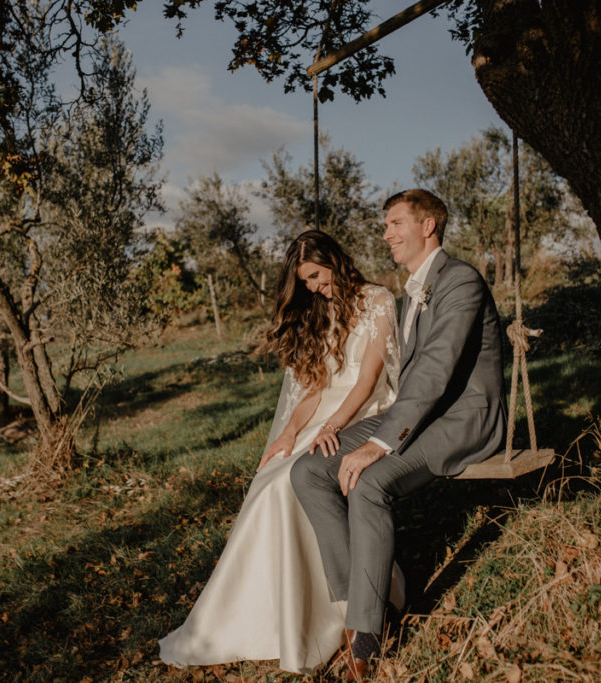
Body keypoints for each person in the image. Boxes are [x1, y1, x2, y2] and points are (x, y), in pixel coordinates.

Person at [158, 230, 403, 674]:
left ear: (333, 260)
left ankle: (344, 611)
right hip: (323, 414)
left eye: (315, 275)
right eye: (304, 281)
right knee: (271, 476)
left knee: (288, 485)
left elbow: (367, 380)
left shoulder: (378, 300)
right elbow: (314, 387)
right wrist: (290, 432)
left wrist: (332, 426)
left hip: (365, 413)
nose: (312, 287)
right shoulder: (323, 310)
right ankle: (271, 614)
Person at [291, 189, 508, 680]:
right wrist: (358, 427)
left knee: (370, 482)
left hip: (464, 417)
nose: (386, 233)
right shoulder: (410, 290)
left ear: (427, 226)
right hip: (419, 414)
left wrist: (381, 442)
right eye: (386, 225)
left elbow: (433, 371)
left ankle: (366, 636)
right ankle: (360, 605)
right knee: (308, 471)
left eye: (394, 223)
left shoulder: (461, 282)